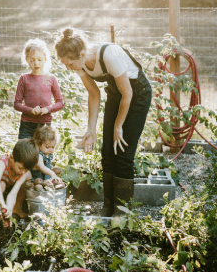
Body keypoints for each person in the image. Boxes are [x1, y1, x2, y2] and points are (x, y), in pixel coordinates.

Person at [55, 28, 152, 216]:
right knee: (107, 152)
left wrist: (118, 126)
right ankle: (109, 207)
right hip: (117, 96)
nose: (68, 67)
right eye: (65, 64)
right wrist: (90, 129)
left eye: (70, 63)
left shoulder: (110, 55)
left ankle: (122, 212)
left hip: (137, 95)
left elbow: (128, 94)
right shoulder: (80, 63)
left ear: (82, 54)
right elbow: (94, 94)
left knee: (122, 153)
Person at [0, 138, 39, 220]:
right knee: (1, 184)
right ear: (12, 157)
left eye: (26, 169)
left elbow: (13, 193)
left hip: (6, 190)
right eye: (20, 168)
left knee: (27, 177)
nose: (23, 172)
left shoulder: (23, 172)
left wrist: (7, 211)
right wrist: (3, 204)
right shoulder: (2, 163)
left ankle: (15, 208)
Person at [14, 38, 64, 140]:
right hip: (26, 125)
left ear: (45, 58)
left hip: (45, 125)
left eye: (39, 59)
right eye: (32, 60)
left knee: (43, 155)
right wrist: (31, 110)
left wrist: (48, 109)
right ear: (27, 60)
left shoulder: (51, 79)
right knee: (24, 154)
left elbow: (60, 103)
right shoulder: (24, 78)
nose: (36, 63)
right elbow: (17, 104)